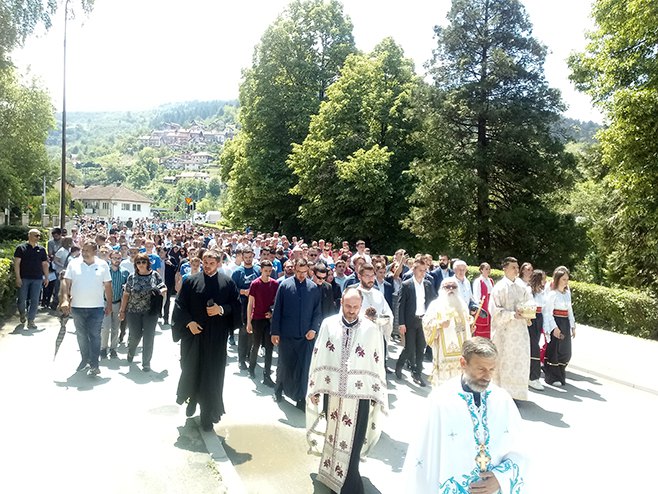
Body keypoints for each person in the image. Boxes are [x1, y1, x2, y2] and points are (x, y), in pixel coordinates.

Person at [402, 337, 526, 493]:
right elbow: (423, 460)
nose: (487, 376)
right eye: (481, 369)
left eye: (492, 369)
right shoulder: (441, 401)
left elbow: (521, 449)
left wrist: (500, 478)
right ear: (463, 363)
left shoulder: (502, 399)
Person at [306, 287, 388, 494]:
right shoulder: (328, 324)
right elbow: (319, 354)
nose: (351, 311)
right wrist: (315, 387)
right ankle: (329, 473)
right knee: (332, 434)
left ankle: (349, 483)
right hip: (332, 392)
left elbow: (377, 362)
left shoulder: (371, 329)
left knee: (353, 442)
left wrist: (376, 393)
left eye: (356, 307)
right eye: (348, 306)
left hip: (358, 396)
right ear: (341, 302)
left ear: (361, 306)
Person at [172, 249, 241, 431]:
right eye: (205, 262)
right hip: (193, 336)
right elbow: (180, 305)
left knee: (212, 375)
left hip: (216, 339)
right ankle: (192, 399)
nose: (208, 266)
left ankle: (207, 413)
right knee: (191, 370)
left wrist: (221, 309)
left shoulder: (228, 283)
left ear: (218, 263)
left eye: (211, 263)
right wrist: (188, 323)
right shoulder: (191, 282)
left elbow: (236, 306)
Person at [270, 258, 322, 410]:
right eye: (298, 272)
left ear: (308, 271)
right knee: (284, 364)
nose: (301, 275)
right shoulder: (285, 286)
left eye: (304, 272)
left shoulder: (313, 288)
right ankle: (278, 389)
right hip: (287, 334)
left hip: (306, 336)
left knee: (303, 368)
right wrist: (275, 332)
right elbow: (277, 310)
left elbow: (317, 312)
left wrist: (313, 329)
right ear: (294, 270)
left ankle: (300, 398)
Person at [60, 241, 113, 376]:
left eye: (88, 250)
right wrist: (65, 299)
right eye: (83, 250)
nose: (84, 253)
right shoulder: (74, 263)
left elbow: (107, 285)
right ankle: (85, 359)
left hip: (96, 307)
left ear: (95, 252)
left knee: (95, 335)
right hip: (77, 307)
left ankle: (94, 364)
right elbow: (66, 282)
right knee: (82, 336)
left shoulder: (103, 265)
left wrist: (109, 304)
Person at [491, 257, 535, 401]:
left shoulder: (522, 286)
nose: (516, 270)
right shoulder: (499, 287)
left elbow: (529, 302)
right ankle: (502, 394)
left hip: (520, 332)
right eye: (513, 267)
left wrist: (528, 313)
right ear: (505, 268)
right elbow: (494, 311)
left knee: (519, 362)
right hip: (505, 333)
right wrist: (512, 314)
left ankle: (516, 394)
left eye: (517, 267)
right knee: (504, 362)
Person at [118, 252, 167, 372]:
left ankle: (146, 363)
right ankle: (131, 351)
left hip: (150, 311)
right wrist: (122, 310)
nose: (141, 264)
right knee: (135, 335)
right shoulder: (131, 277)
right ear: (135, 264)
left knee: (149, 336)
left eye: (143, 262)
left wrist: (161, 291)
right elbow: (126, 294)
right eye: (138, 262)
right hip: (133, 310)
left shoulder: (155, 275)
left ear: (147, 263)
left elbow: (163, 286)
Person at [422, 279, 472, 385]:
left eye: (454, 287)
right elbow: (426, 324)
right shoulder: (435, 305)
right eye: (447, 287)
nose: (451, 289)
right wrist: (439, 324)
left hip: (461, 352)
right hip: (443, 353)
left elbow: (465, 323)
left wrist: (469, 327)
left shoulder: (462, 305)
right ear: (442, 289)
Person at [395, 259, 436, 386]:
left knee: (420, 349)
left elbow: (433, 302)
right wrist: (401, 323)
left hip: (423, 321)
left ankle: (416, 373)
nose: (423, 273)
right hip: (410, 321)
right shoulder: (407, 284)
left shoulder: (428, 284)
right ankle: (400, 364)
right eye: (420, 270)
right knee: (409, 348)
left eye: (425, 270)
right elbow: (400, 305)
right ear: (414, 269)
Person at [246, 259, 279, 386]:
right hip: (257, 319)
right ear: (261, 270)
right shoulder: (255, 284)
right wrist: (249, 322)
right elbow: (250, 304)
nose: (268, 273)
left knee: (269, 347)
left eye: (270, 271)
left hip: (269, 320)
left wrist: (272, 313)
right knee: (256, 344)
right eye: (265, 271)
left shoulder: (275, 284)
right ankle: (251, 368)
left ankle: (267, 375)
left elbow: (277, 303)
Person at [543, 266, 576, 387]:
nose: (566, 282)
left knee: (566, 351)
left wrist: (573, 326)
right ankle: (552, 376)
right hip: (556, 321)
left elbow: (570, 310)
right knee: (555, 350)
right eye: (563, 279)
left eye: (567, 279)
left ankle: (561, 374)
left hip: (565, 322)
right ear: (557, 279)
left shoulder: (567, 293)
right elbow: (548, 313)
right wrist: (554, 328)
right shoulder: (552, 294)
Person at [231, 246, 260, 370]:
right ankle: (241, 358)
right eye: (246, 257)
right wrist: (242, 291)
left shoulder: (258, 270)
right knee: (243, 332)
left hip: (256, 305)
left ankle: (250, 355)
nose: (248, 259)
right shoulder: (238, 272)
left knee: (253, 332)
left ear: (253, 256)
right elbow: (231, 289)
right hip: (243, 306)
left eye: (250, 257)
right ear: (242, 257)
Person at [14, 228, 49, 328]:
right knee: (22, 299)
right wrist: (18, 277)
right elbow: (17, 263)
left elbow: (45, 264)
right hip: (24, 278)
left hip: (37, 278)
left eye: (39, 236)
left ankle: (31, 320)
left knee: (35, 300)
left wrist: (46, 277)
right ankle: (22, 313)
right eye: (36, 235)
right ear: (29, 236)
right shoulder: (21, 248)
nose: (38, 237)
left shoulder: (42, 249)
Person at [101, 250, 129, 359]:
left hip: (118, 302)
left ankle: (113, 348)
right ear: (110, 258)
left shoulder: (125, 272)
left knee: (115, 327)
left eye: (119, 258)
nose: (116, 260)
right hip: (105, 301)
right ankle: (103, 348)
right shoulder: (105, 270)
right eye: (114, 258)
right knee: (105, 327)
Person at [528, 270, 547, 391]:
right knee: (532, 347)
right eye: (543, 278)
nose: (545, 281)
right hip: (531, 319)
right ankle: (532, 377)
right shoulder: (529, 291)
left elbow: (544, 309)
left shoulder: (542, 292)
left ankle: (533, 375)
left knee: (535, 345)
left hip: (539, 318)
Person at [471, 262, 494, 339]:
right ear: (481, 270)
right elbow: (476, 296)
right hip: (483, 307)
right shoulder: (478, 281)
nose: (488, 271)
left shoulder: (491, 280)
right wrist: (478, 308)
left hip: (490, 306)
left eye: (489, 269)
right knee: (481, 328)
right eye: (486, 269)